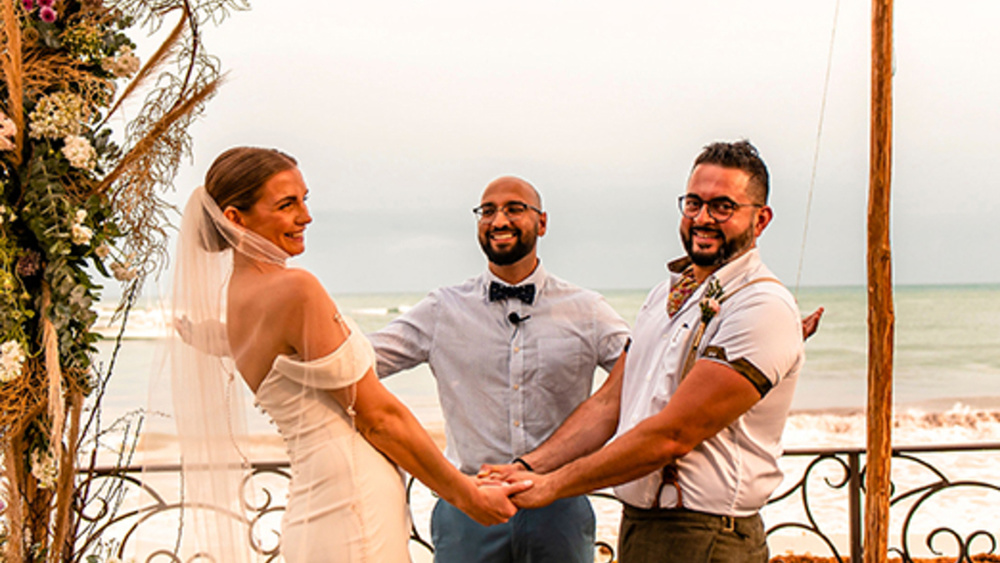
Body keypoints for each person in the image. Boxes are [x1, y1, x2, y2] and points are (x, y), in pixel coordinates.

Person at [169, 147, 530, 562]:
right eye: (287, 205)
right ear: (235, 218)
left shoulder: (237, 304)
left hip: (314, 503)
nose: (306, 216)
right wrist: (465, 494)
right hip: (352, 507)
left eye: (305, 200)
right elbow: (379, 419)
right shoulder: (295, 290)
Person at [481, 140, 806, 562]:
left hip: (707, 537)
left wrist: (554, 486)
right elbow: (608, 403)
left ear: (760, 219)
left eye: (723, 206)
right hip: (642, 526)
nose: (702, 218)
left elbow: (673, 435)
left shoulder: (761, 306)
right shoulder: (663, 297)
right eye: (694, 203)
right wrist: (529, 467)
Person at [367, 176, 631, 562]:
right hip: (467, 506)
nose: (499, 220)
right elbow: (359, 361)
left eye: (514, 209)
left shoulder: (588, 310)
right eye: (487, 211)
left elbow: (643, 372)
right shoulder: (442, 309)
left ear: (542, 223)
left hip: (559, 505)